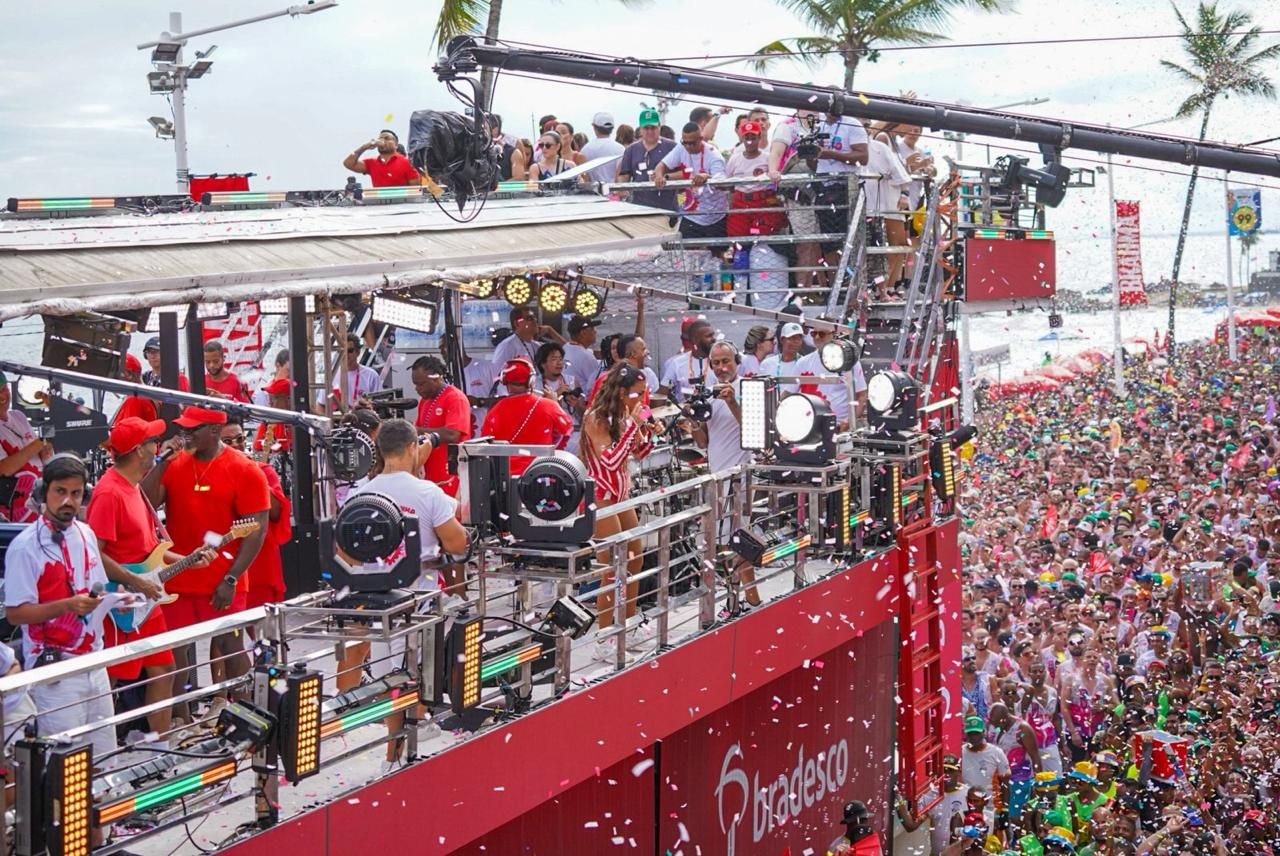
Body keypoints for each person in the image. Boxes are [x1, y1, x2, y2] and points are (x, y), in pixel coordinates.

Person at [344, 419, 468, 773]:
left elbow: (347, 553)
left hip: (377, 602)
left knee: (390, 680)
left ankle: (394, 752)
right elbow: (458, 543)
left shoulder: (358, 495)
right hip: (420, 604)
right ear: (414, 447)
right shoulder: (427, 493)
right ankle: (407, 740)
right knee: (415, 677)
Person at [3, 453, 114, 846]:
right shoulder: (23, 548)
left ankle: (100, 842)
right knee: (64, 771)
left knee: (101, 765)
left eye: (76, 493)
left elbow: (97, 588)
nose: (68, 501)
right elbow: (16, 614)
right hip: (54, 673)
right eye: (60, 492)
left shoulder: (85, 534)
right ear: (43, 493)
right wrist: (67, 606)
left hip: (94, 663)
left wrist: (119, 601)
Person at [87, 417, 216, 745]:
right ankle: (105, 751)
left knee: (164, 669)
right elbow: (94, 554)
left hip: (145, 599)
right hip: (123, 602)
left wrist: (190, 560)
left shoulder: (133, 490)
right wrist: (136, 582)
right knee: (114, 678)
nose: (157, 446)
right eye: (150, 441)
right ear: (138, 451)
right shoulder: (108, 492)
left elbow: (150, 552)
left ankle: (156, 749)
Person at [142, 406, 269, 703]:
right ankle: (179, 722)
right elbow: (145, 501)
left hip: (222, 580)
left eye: (192, 428)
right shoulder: (175, 463)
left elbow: (256, 530)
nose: (184, 434)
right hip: (177, 578)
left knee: (232, 649)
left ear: (213, 431)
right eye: (183, 428)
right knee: (173, 657)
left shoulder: (245, 469)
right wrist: (160, 463)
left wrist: (231, 577)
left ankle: (247, 717)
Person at [581, 364, 657, 656]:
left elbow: (638, 454)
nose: (642, 398)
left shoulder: (627, 415)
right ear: (621, 392)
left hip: (622, 495)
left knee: (635, 562)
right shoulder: (595, 418)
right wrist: (635, 427)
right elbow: (610, 462)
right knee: (612, 570)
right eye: (637, 393)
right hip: (601, 499)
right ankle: (604, 638)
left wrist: (647, 433)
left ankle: (628, 624)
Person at [687, 341, 760, 607]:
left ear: (736, 361)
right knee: (719, 540)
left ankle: (749, 596)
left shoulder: (749, 390)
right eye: (715, 363)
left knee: (739, 538)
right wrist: (692, 423)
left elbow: (753, 432)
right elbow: (704, 441)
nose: (721, 368)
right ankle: (735, 598)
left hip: (740, 475)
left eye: (725, 361)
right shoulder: (706, 394)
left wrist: (732, 401)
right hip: (716, 476)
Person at [220, 421, 291, 609]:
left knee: (266, 633)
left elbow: (276, 513)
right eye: (228, 441)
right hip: (227, 561)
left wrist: (253, 473)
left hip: (261, 563)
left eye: (240, 439)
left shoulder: (263, 471)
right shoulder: (211, 473)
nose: (236, 444)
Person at [481, 358, 573, 476]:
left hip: (504, 477)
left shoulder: (496, 410)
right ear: (531, 381)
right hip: (540, 474)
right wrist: (555, 404)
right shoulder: (548, 405)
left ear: (504, 381)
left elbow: (485, 444)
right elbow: (567, 430)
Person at [655, 122, 729, 258]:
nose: (688, 146)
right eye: (685, 142)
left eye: (692, 143)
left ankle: (718, 278)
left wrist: (708, 177)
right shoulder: (681, 148)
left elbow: (723, 183)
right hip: (691, 215)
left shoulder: (714, 155)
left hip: (714, 215)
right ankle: (691, 279)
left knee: (718, 255)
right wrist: (659, 176)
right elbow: (661, 165)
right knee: (687, 254)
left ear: (701, 139)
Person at [411, 355, 472, 498]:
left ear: (436, 378)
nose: (417, 388)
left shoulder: (455, 398)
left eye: (422, 384)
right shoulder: (425, 400)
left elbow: (453, 434)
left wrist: (416, 431)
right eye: (415, 384)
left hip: (450, 474)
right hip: (429, 474)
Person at [0, 370, 52, 523]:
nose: (2, 396)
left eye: (4, 389)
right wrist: (41, 441)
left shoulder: (18, 416)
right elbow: (4, 469)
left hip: (40, 501)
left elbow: (43, 452)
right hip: (14, 512)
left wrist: (47, 445)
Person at [797, 323, 866, 429]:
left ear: (834, 335)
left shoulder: (850, 360)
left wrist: (849, 422)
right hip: (808, 427)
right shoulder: (803, 362)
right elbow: (788, 393)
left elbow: (861, 395)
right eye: (814, 333)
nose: (817, 337)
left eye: (822, 334)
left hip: (839, 427)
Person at [725, 120, 783, 240]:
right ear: (742, 138)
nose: (750, 142)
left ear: (759, 137)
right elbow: (728, 183)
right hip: (740, 203)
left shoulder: (767, 158)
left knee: (761, 237)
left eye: (753, 137)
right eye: (747, 138)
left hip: (762, 202)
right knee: (739, 240)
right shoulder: (734, 159)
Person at [616, 108, 677, 212]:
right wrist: (622, 187)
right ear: (640, 129)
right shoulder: (631, 150)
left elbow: (685, 172)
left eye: (653, 128)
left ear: (659, 127)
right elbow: (624, 175)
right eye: (646, 128)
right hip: (639, 207)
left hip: (667, 208)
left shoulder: (672, 147)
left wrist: (665, 177)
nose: (650, 131)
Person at [659, 318, 716, 402]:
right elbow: (661, 395)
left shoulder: (721, 360)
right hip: (688, 412)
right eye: (708, 336)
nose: (713, 339)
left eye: (713, 335)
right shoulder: (677, 363)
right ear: (695, 339)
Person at [343, 129, 421, 187]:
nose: (383, 141)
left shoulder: (407, 162)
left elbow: (416, 188)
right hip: (379, 207)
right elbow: (348, 164)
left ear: (396, 144)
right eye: (380, 139)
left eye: (387, 138)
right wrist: (364, 147)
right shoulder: (371, 163)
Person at [493, 305, 562, 371]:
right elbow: (495, 375)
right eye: (530, 318)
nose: (535, 321)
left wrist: (550, 330)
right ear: (517, 323)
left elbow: (569, 349)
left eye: (535, 318)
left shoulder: (536, 346)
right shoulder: (507, 346)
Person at [961, 714, 1010, 793]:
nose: (974, 737)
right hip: (967, 803)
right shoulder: (960, 753)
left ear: (984, 732)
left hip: (991, 803)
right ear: (966, 734)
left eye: (977, 733)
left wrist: (1005, 804)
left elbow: (1005, 781)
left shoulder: (997, 753)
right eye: (971, 734)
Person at [332, 333, 381, 410]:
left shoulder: (371, 376)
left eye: (350, 351)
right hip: (338, 420)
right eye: (342, 350)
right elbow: (320, 405)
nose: (346, 354)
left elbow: (379, 404)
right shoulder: (332, 375)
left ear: (358, 352)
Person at [758, 321, 806, 393]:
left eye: (799, 338)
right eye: (791, 338)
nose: (795, 342)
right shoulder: (767, 363)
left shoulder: (805, 364)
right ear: (782, 340)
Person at [562, 316, 603, 396]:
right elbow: (598, 385)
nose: (595, 332)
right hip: (581, 402)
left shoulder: (566, 347)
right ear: (583, 333)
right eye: (592, 329)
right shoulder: (586, 356)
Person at [580, 111, 625, 184]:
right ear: (612, 128)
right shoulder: (620, 148)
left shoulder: (585, 149)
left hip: (592, 192)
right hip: (614, 191)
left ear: (594, 128)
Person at [114, 353, 159, 423]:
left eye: (116, 373)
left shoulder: (134, 399)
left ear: (129, 374)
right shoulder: (144, 394)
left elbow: (129, 431)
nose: (113, 377)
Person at [253, 377, 294, 453]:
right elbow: (257, 450)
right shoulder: (268, 421)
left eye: (274, 398)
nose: (270, 402)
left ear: (289, 399)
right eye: (269, 397)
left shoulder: (301, 422)